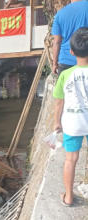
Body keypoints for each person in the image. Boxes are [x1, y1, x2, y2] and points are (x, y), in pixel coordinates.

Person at [53, 27, 88, 206]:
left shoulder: (66, 75)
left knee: (71, 159)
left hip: (73, 123)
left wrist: (56, 122)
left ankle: (68, 197)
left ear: (72, 51)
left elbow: (59, 102)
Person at [51, 0, 88, 75]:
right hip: (85, 59)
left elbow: (57, 42)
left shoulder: (60, 14)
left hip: (66, 61)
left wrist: (54, 63)